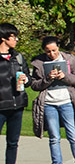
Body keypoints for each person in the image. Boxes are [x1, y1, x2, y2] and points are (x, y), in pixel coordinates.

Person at [30, 36, 75, 164]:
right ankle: (56, 162)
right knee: (54, 138)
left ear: (58, 47)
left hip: (66, 102)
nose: (52, 54)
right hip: (49, 104)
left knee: (73, 135)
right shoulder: (39, 63)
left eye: (54, 50)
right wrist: (47, 79)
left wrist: (65, 77)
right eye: (48, 51)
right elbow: (34, 85)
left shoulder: (69, 60)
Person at [0, 23, 28, 164]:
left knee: (13, 143)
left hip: (17, 106)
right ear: (4, 38)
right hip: (1, 107)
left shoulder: (18, 58)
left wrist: (26, 79)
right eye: (13, 37)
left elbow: (29, 79)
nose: (16, 40)